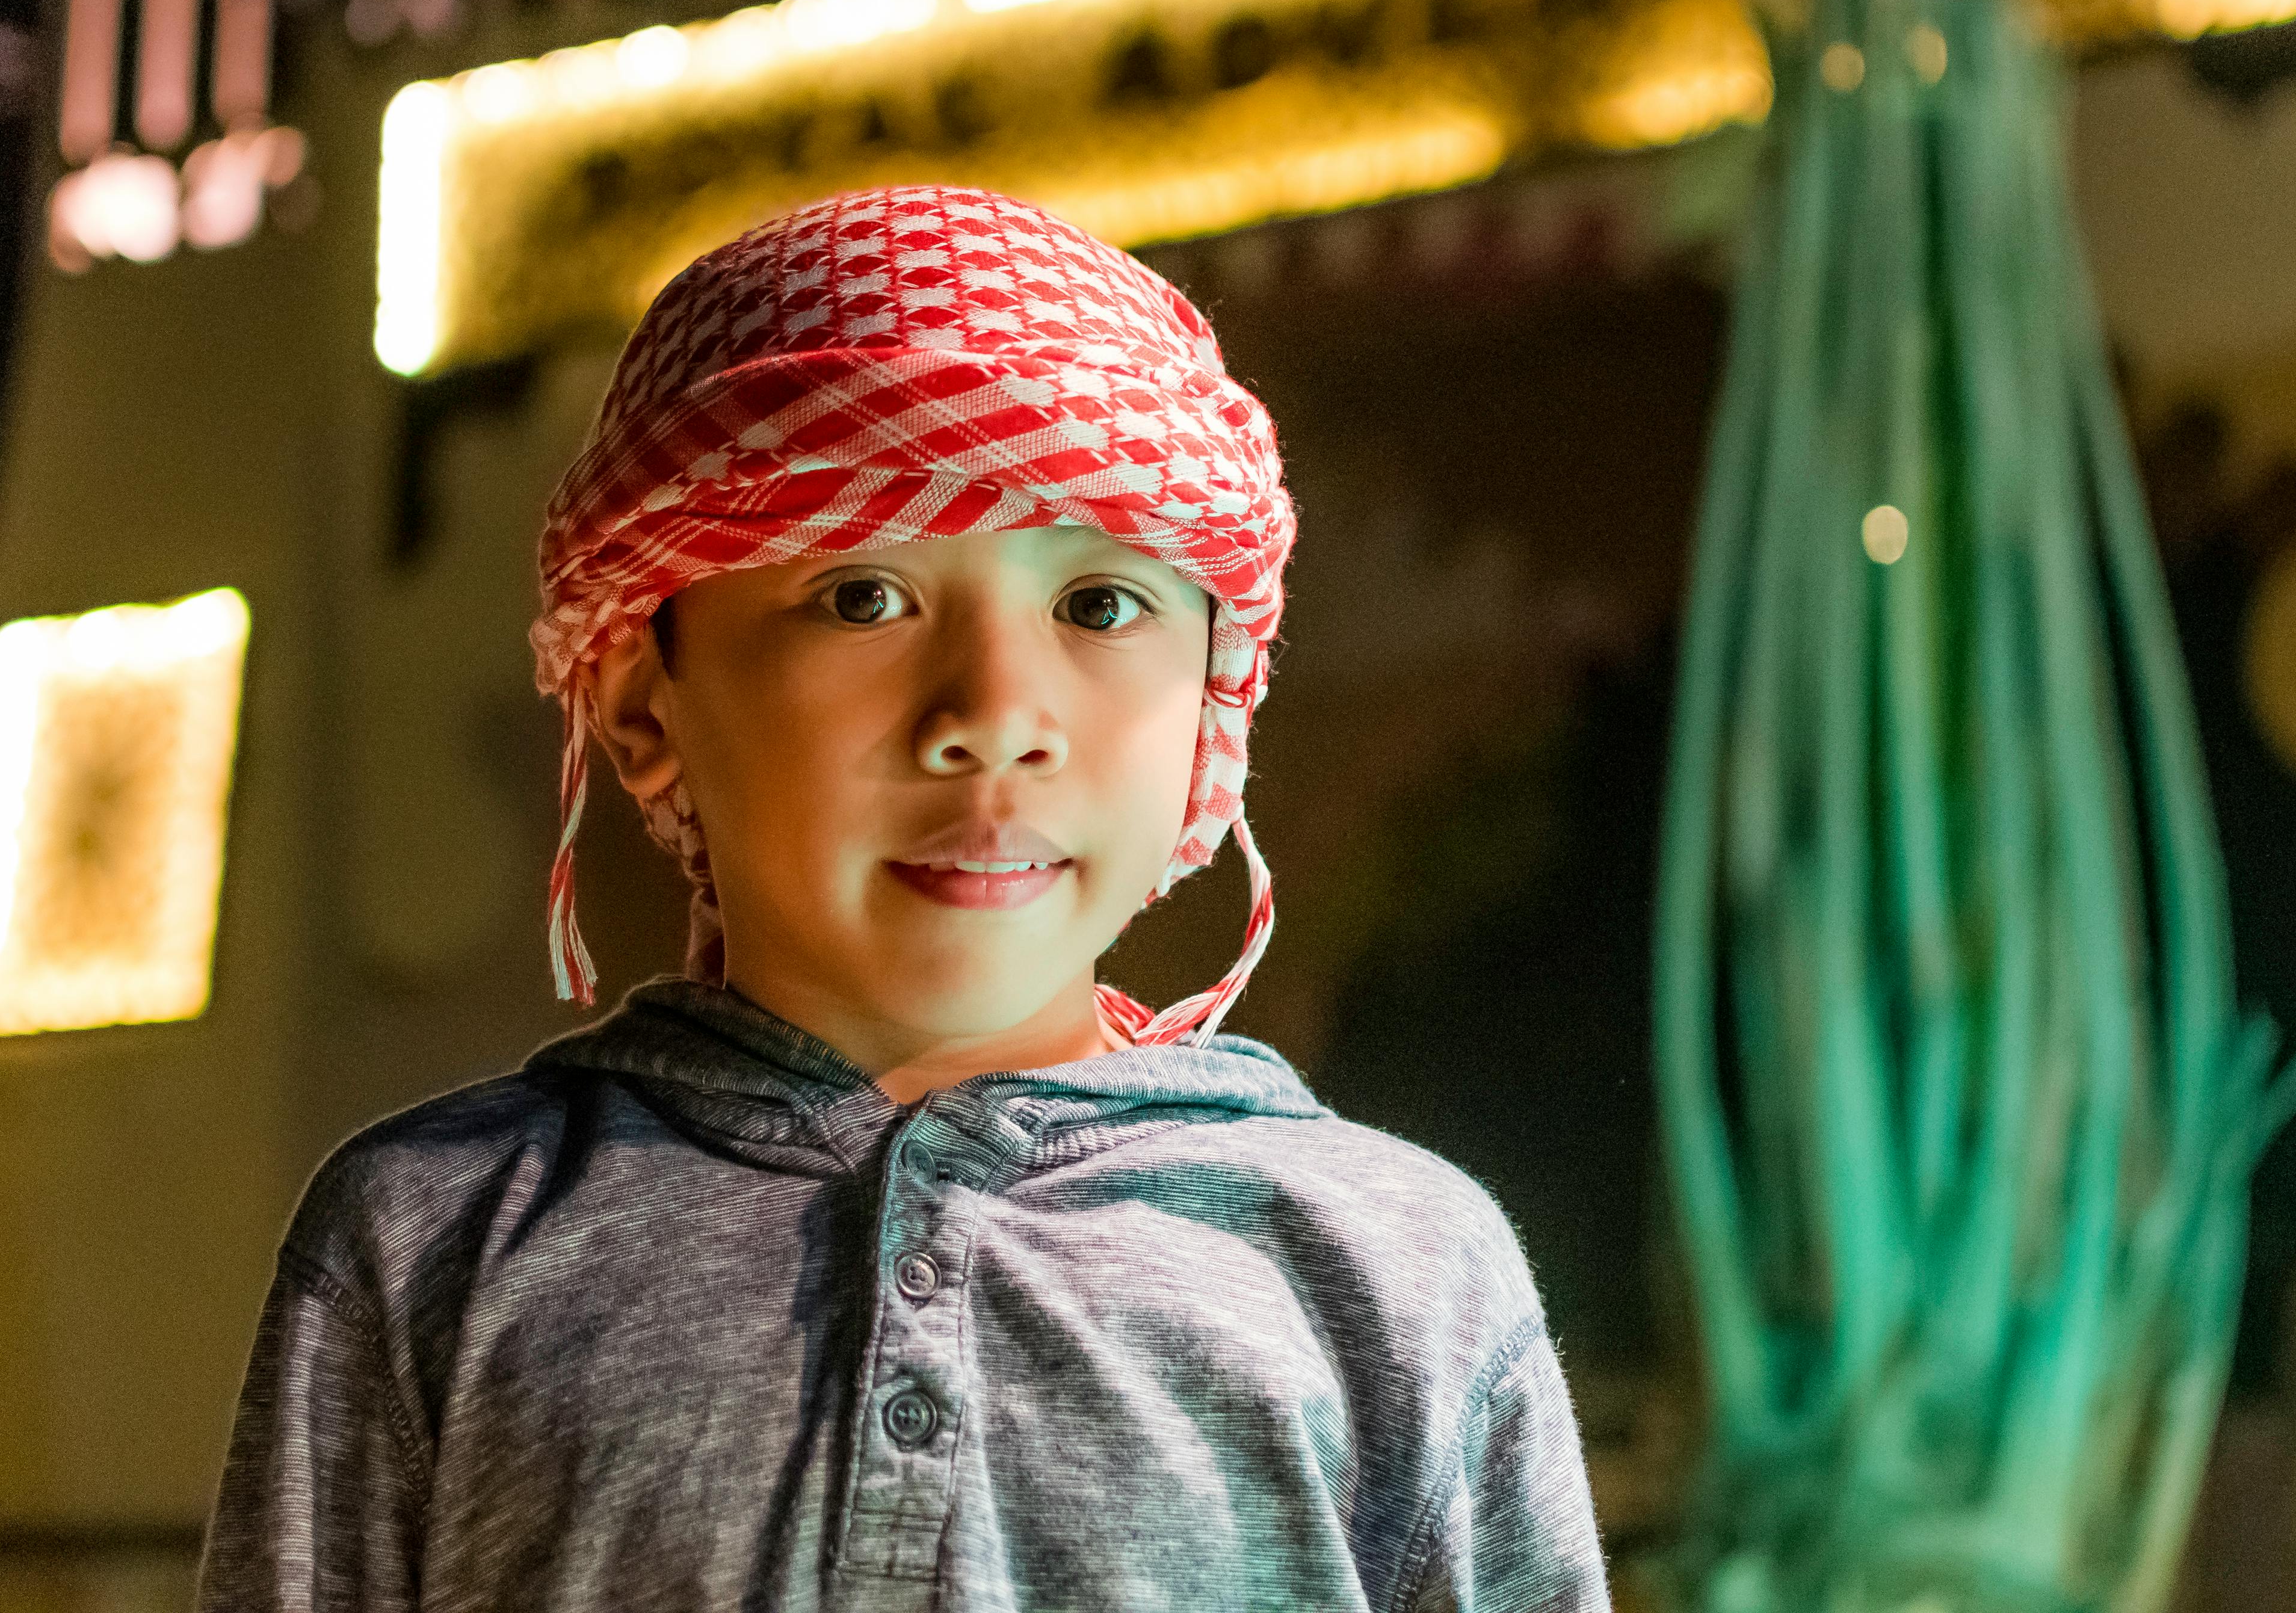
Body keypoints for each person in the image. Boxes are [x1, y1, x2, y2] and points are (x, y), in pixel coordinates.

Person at [197, 184, 1611, 1611]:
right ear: (642, 703)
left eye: (1101, 604)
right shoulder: (438, 1237)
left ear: (1209, 708)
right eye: (865, 595)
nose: (994, 713)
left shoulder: (1388, 1261)